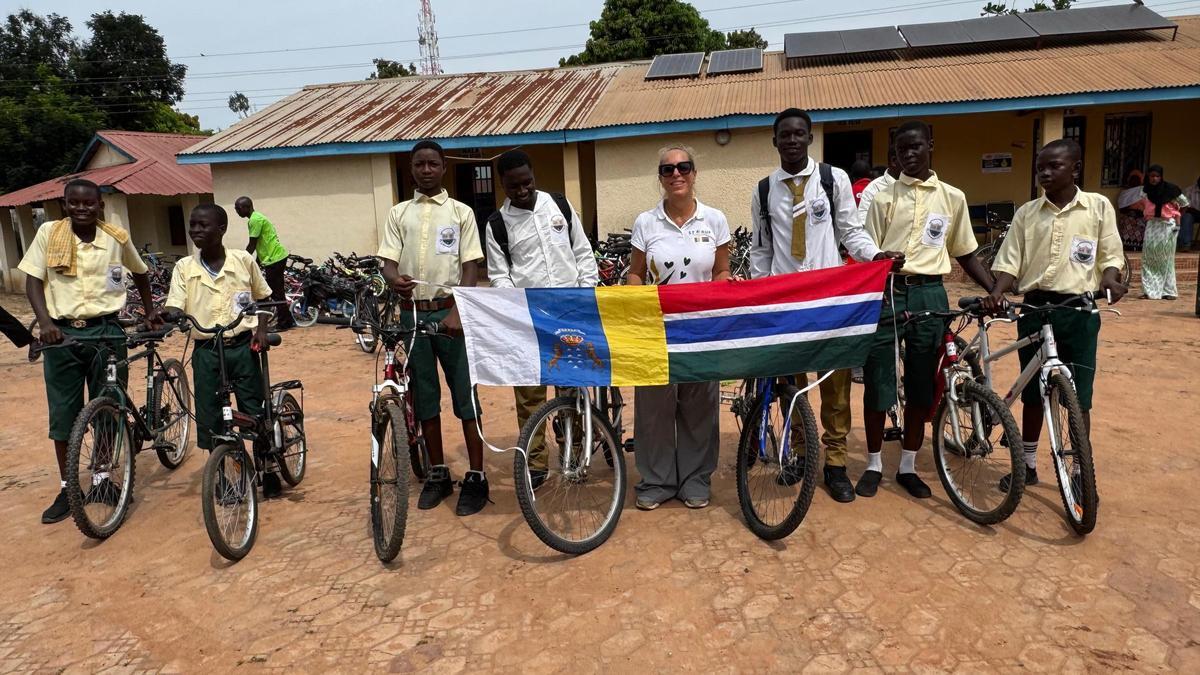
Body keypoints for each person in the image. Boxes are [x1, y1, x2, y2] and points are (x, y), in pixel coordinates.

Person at [748, 108, 904, 503]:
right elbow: (761, 250)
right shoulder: (764, 190)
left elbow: (851, 232)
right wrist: (762, 295)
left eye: (799, 133)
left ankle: (835, 464)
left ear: (810, 137)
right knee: (791, 384)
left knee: (835, 385)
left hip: (830, 299)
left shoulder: (833, 180)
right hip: (786, 303)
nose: (792, 140)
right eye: (785, 134)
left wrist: (875, 257)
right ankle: (801, 455)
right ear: (775, 140)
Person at [860, 120, 993, 499]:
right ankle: (873, 464)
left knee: (921, 384)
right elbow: (865, 248)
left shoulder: (952, 198)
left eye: (915, 146)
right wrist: (880, 259)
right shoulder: (883, 197)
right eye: (901, 149)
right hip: (888, 292)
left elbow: (965, 252)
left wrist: (993, 290)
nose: (908, 154)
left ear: (930, 146)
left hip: (930, 294)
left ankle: (907, 466)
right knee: (878, 379)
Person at [17, 178, 161, 524]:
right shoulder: (49, 233)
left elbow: (140, 272)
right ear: (64, 205)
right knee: (63, 415)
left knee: (109, 407)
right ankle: (68, 489)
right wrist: (44, 322)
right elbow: (33, 281)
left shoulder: (115, 237)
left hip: (107, 332)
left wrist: (149, 310)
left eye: (89, 203)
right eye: (74, 203)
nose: (81, 208)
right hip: (61, 335)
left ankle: (102, 479)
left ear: (100, 206)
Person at [985, 139, 1126, 488]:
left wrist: (1111, 279)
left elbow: (1110, 255)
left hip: (1079, 311)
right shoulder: (1027, 213)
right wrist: (997, 292)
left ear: (1075, 168)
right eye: (1040, 168)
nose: (1045, 173)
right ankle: (1028, 464)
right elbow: (1010, 261)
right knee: (1033, 393)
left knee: (1078, 399)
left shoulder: (1097, 207)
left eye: (1054, 166)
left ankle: (1079, 472)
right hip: (1035, 309)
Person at [378, 140, 489, 516]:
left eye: (432, 164)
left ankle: (476, 476)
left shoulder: (461, 213)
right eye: (419, 164)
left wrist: (458, 310)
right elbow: (387, 261)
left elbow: (471, 266)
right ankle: (438, 473)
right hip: (413, 315)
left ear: (443, 167)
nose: (426, 170)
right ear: (411, 168)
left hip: (451, 315)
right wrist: (393, 278)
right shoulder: (399, 213)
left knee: (465, 395)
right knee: (424, 396)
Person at [484, 149, 599, 489]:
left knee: (571, 387)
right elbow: (499, 275)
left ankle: (573, 452)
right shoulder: (497, 224)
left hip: (569, 312)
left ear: (534, 176)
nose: (522, 191)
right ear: (502, 185)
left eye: (527, 182)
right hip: (529, 320)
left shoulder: (559, 206)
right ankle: (534, 463)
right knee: (530, 395)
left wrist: (584, 292)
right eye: (514, 186)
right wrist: (515, 305)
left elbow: (582, 253)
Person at [627, 145, 731, 511]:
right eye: (667, 169)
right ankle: (656, 481)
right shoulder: (646, 222)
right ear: (660, 177)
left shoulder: (715, 219)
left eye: (683, 167)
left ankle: (695, 479)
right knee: (654, 409)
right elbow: (636, 273)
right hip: (657, 330)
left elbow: (721, 269)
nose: (676, 174)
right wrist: (635, 300)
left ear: (694, 173)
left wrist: (722, 288)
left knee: (699, 407)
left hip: (700, 329)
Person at [162, 204, 281, 495]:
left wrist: (261, 330)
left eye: (203, 225)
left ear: (222, 229)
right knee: (210, 413)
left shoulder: (243, 261)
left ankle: (267, 465)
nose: (196, 231)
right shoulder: (184, 267)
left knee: (255, 409)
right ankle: (221, 474)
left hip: (242, 348)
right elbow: (175, 304)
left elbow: (264, 298)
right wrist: (169, 314)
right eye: (193, 225)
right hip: (206, 351)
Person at [233, 197, 294, 331]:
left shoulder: (255, 220)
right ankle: (288, 320)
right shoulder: (256, 218)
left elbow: (252, 244)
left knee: (274, 293)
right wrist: (256, 263)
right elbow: (261, 244)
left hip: (274, 259)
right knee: (276, 292)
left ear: (247, 207)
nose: (236, 211)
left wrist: (241, 261)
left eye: (238, 208)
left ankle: (284, 323)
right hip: (273, 258)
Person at [1138, 165, 1189, 300]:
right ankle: (1149, 291)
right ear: (1148, 177)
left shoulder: (1172, 190)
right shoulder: (1145, 191)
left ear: (1161, 177)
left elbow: (1185, 204)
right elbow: (1143, 205)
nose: (1154, 179)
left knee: (1166, 258)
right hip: (1152, 225)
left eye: (1157, 176)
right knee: (1148, 257)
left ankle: (1168, 291)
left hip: (1167, 226)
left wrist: (1175, 215)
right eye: (1152, 176)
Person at [858, 141, 902, 225]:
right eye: (907, 159)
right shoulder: (873, 190)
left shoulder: (918, 185)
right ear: (893, 161)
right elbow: (864, 225)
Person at [1116, 170, 1146, 250]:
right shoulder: (1142, 191)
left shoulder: (1124, 193)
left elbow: (1121, 208)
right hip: (1137, 221)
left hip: (1127, 220)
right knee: (1137, 247)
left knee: (1127, 245)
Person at [1182, 176, 1200, 252]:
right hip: (1194, 214)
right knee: (1187, 217)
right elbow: (1187, 208)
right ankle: (1186, 244)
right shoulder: (1189, 190)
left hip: (1195, 211)